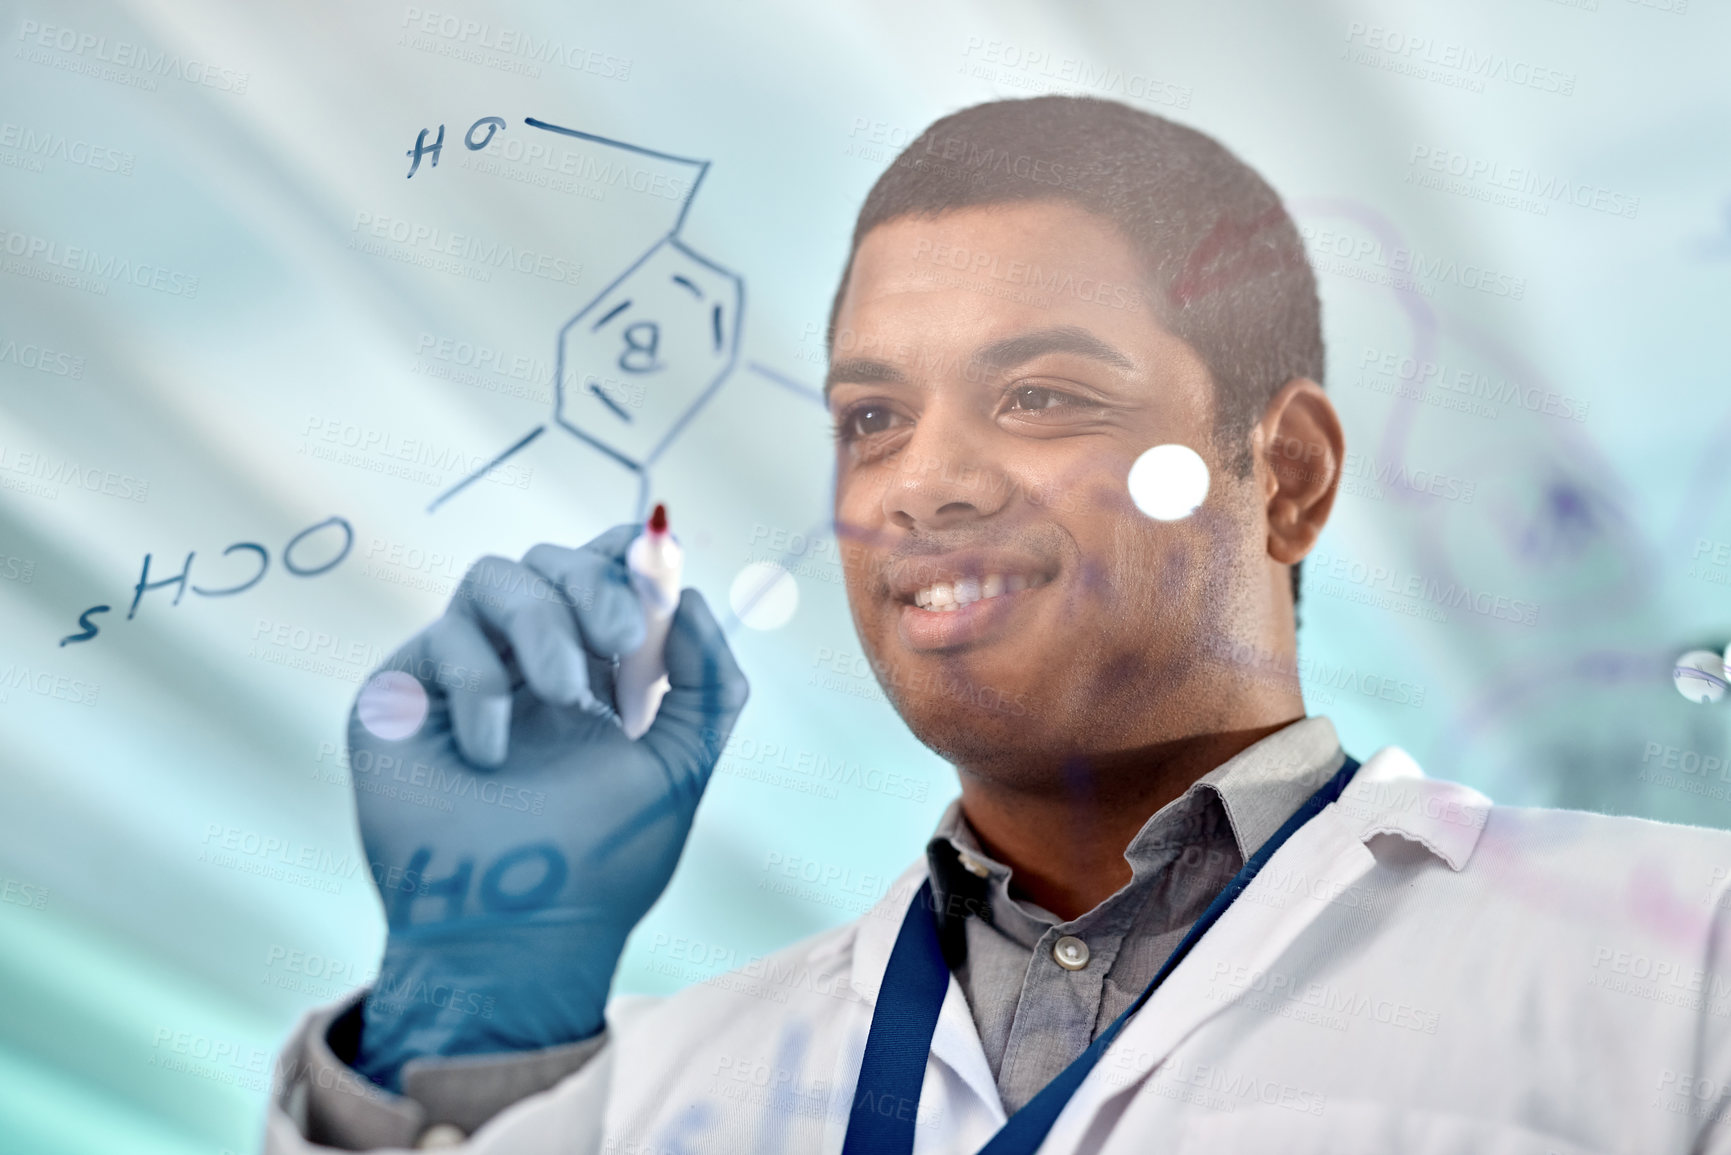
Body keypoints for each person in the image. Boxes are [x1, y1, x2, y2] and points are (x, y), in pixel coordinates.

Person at [268, 96, 1731, 1153]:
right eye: (873, 417)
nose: (925, 486)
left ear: (1283, 474)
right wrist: (460, 1022)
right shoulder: (648, 1095)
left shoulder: (1685, 965)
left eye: (1042, 396)